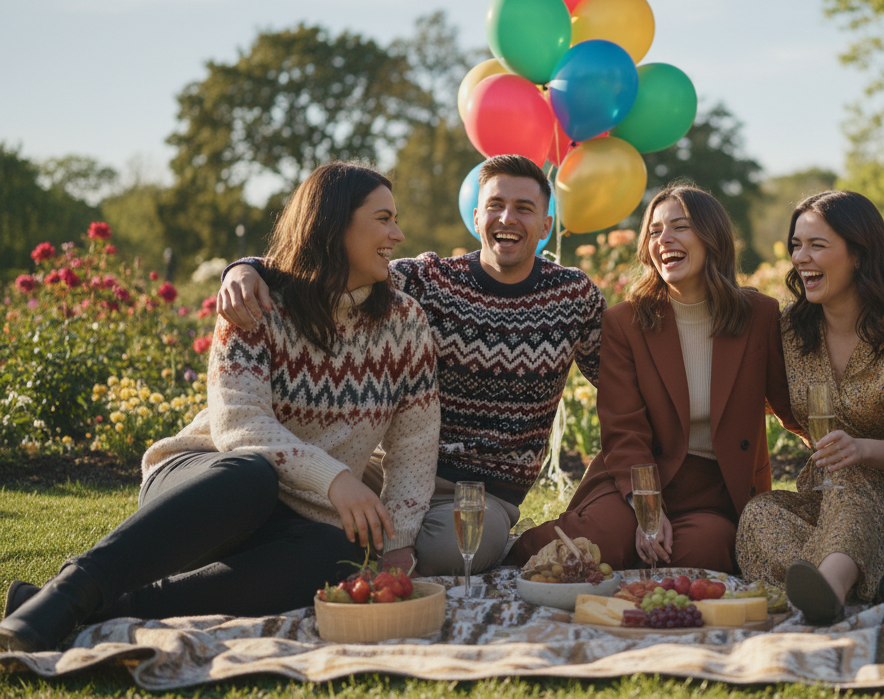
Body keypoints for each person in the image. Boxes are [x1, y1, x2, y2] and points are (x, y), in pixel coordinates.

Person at [0, 163, 439, 653]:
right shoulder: (254, 303)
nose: (398, 234)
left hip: (296, 515)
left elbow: (414, 446)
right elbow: (239, 424)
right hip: (207, 484)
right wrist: (335, 478)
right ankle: (71, 589)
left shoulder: (406, 323)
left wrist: (397, 541)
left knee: (342, 554)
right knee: (251, 475)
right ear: (335, 225)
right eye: (384, 219)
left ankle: (101, 609)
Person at [215, 155, 605, 578]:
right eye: (494, 205)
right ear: (476, 217)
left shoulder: (572, 296)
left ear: (546, 226)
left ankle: (357, 542)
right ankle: (344, 538)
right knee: (306, 495)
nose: (506, 218)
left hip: (479, 492)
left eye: (524, 208)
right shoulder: (427, 279)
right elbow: (331, 263)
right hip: (386, 469)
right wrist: (245, 268)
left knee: (452, 552)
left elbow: (618, 373)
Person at [506, 183, 801, 572]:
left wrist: (846, 446)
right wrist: (648, 506)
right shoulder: (625, 322)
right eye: (654, 230)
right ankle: (510, 547)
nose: (664, 239)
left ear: (712, 237)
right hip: (636, 478)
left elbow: (789, 403)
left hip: (713, 490)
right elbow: (623, 427)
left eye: (679, 227)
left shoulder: (759, 315)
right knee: (598, 548)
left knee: (707, 552)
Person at [734, 191, 884, 625]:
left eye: (817, 245)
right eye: (796, 245)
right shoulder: (792, 331)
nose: (801, 257)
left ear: (858, 253)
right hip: (824, 498)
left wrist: (863, 450)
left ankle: (830, 589)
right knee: (760, 514)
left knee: (854, 482)